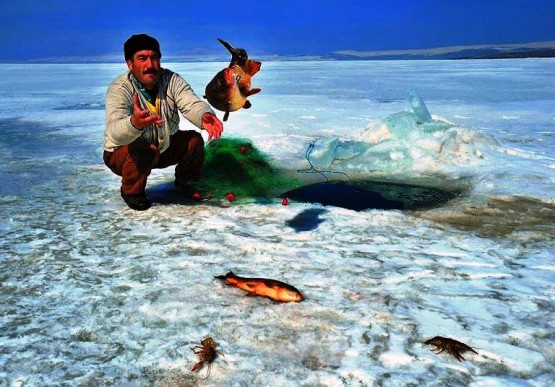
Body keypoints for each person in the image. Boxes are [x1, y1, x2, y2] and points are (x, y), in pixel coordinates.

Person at [103, 34, 223, 211]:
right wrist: (134, 123)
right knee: (144, 148)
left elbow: (189, 102)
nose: (150, 65)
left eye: (154, 58)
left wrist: (204, 115)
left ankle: (187, 181)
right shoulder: (120, 88)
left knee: (193, 141)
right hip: (124, 154)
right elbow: (115, 131)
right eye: (142, 58)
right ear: (130, 64)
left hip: (163, 145)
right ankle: (132, 191)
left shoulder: (171, 79)